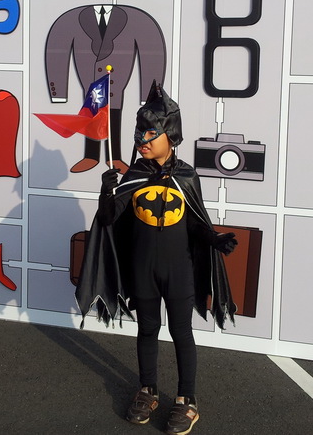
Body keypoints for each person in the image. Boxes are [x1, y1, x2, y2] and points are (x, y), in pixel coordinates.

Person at [76, 81, 237, 435]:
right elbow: (108, 220)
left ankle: (187, 400)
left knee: (181, 332)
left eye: (151, 133)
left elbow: (195, 222)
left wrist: (214, 238)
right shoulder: (133, 176)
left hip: (178, 271)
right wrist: (106, 192)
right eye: (139, 133)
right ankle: (147, 390)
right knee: (147, 329)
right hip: (142, 270)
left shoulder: (186, 176)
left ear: (171, 136)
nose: (142, 140)